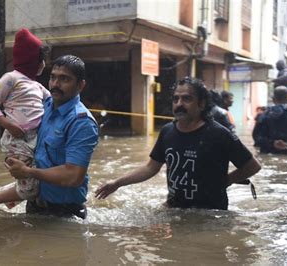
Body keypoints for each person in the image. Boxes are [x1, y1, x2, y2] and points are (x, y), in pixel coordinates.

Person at [95, 77, 261, 210]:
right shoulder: (167, 131)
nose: (179, 104)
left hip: (211, 215)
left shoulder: (218, 134)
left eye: (186, 99)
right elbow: (150, 168)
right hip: (175, 210)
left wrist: (226, 181)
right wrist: (117, 183)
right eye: (176, 99)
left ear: (201, 104)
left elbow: (253, 166)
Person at [5, 55, 99, 219]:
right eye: (53, 77)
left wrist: (27, 171)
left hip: (66, 215)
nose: (55, 84)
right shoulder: (43, 108)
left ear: (80, 85)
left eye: (64, 79)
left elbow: (73, 175)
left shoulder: (81, 122)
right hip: (34, 206)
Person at [0, 28, 50, 210]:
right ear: (31, 60)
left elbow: (52, 103)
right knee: (31, 189)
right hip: (16, 140)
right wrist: (9, 124)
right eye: (41, 59)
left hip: (34, 140)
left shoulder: (38, 86)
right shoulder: (11, 78)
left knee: (34, 182)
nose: (44, 64)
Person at [252, 86, 287, 154]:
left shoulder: (263, 115)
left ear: (273, 99)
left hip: (268, 152)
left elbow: (256, 137)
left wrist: (273, 143)